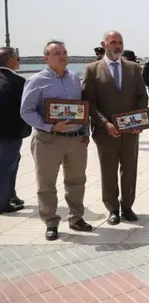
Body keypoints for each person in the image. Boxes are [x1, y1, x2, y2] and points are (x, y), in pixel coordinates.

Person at [20, 40, 93, 241]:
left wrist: (85, 132)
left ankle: (76, 218)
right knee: (46, 184)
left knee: (77, 181)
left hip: (76, 140)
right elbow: (26, 112)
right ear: (46, 58)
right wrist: (50, 126)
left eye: (64, 52)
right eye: (56, 53)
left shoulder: (74, 79)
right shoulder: (36, 81)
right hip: (47, 140)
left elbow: (82, 108)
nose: (62, 56)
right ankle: (51, 221)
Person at [82, 31, 148, 225]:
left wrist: (137, 121)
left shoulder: (134, 68)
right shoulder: (92, 69)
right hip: (105, 132)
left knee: (129, 169)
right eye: (113, 42)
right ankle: (113, 209)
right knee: (108, 171)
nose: (117, 46)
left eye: (120, 42)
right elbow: (89, 102)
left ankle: (127, 206)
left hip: (130, 132)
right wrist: (105, 123)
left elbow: (142, 97)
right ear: (104, 44)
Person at [0, 47, 29, 213]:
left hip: (8, 133)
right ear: (10, 61)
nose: (19, 62)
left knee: (9, 164)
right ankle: (3, 202)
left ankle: (10, 195)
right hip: (10, 134)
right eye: (18, 59)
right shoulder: (17, 82)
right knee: (7, 167)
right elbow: (25, 108)